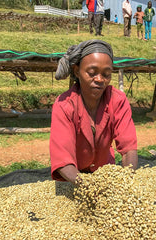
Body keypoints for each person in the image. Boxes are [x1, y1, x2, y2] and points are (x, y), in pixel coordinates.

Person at [51, 39, 138, 184]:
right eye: (92, 73)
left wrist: (127, 180)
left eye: (106, 74)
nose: (99, 79)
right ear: (76, 71)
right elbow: (62, 157)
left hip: (106, 174)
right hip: (72, 178)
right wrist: (88, 187)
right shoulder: (64, 106)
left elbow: (129, 147)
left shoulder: (117, 100)